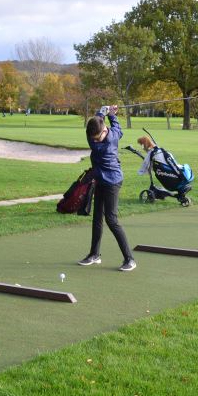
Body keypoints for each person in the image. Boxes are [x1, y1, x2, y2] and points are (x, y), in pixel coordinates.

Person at [77, 105, 136, 271]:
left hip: (112, 182)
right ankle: (94, 255)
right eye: (93, 138)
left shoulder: (106, 143)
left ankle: (130, 259)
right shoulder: (108, 133)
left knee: (111, 220)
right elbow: (117, 128)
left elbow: (109, 127)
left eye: (97, 137)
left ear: (104, 132)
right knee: (97, 218)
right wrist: (111, 114)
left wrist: (103, 112)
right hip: (100, 181)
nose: (95, 141)